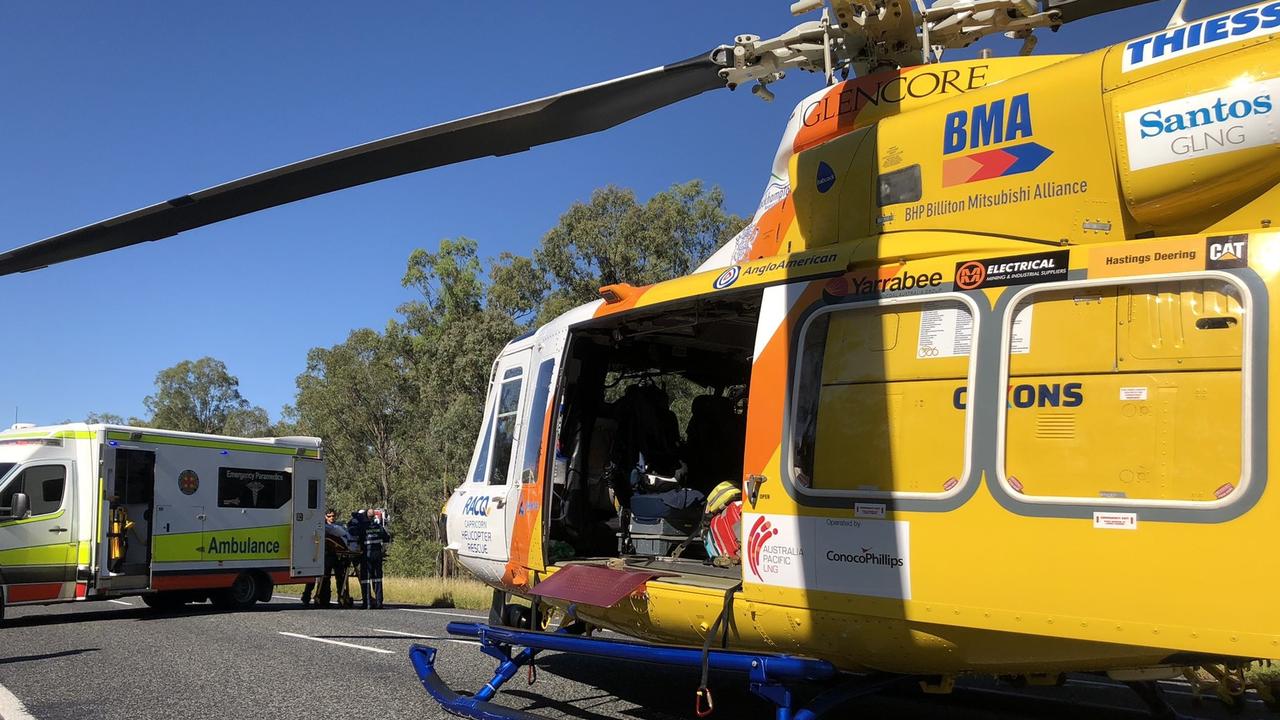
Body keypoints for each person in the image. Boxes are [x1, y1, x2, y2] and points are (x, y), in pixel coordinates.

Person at [301, 509, 339, 606]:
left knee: (326, 578)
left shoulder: (336, 527)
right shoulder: (321, 526)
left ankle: (324, 599)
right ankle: (306, 596)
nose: (332, 518)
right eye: (329, 516)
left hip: (330, 554)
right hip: (318, 554)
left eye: (333, 516)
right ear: (325, 517)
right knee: (313, 577)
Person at [361, 509, 392, 609]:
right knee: (377, 578)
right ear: (374, 516)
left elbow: (357, 539)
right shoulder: (379, 527)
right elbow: (387, 538)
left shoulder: (363, 527)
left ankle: (367, 603)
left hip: (367, 555)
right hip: (377, 555)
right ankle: (379, 603)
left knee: (366, 579)